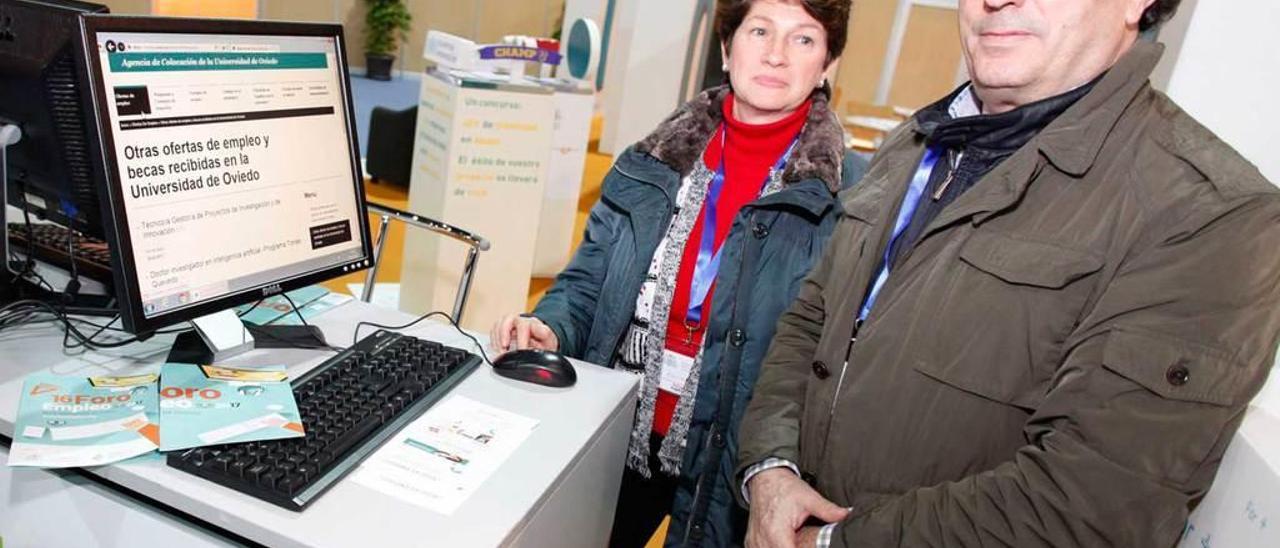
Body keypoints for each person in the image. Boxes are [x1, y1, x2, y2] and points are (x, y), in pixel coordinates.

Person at [736, 0, 1280, 546]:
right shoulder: (915, 142)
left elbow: (1088, 503)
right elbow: (812, 321)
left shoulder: (1207, 213)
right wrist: (770, 467)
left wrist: (830, 542)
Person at [490, 1, 861, 545]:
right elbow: (587, 282)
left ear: (827, 64)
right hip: (621, 432)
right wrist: (552, 326)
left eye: (804, 39)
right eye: (759, 31)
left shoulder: (847, 199)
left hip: (731, 460)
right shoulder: (654, 159)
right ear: (726, 48)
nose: (776, 55)